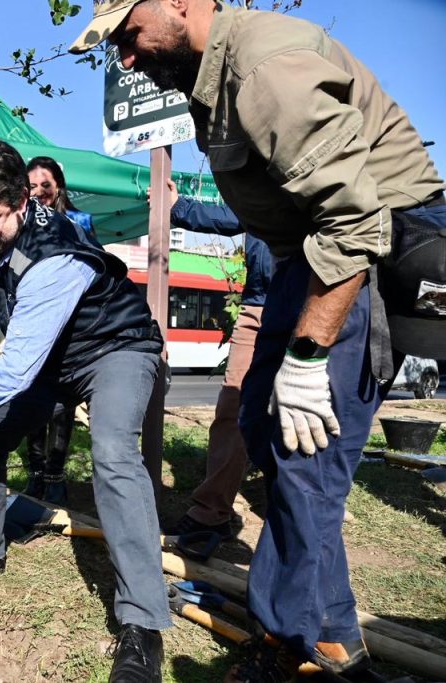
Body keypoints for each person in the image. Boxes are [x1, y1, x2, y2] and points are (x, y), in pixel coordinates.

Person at [70, 2, 445, 679]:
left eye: (130, 35)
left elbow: (355, 222)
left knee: (308, 454)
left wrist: (306, 358)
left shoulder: (265, 69)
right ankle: (329, 638)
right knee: (261, 429)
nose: (125, 58)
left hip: (361, 258)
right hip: (307, 257)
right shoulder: (207, 86)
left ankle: (294, 638)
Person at [0, 138, 169, 682]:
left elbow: (17, 367)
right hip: (54, 359)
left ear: (23, 200)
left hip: (115, 347)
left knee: (114, 455)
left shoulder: (56, 253)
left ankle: (142, 628)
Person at [150, 178, 272, 540]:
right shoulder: (260, 180)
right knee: (231, 409)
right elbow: (227, 216)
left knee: (300, 412)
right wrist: (178, 207)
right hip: (258, 305)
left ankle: (297, 510)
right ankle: (211, 513)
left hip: (308, 302)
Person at [22, 156, 94, 505]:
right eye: (31, 186)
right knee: (32, 400)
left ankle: (55, 475)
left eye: (44, 186)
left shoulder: (79, 221)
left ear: (58, 188)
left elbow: (94, 269)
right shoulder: (20, 226)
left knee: (63, 406)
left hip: (69, 330)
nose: (37, 193)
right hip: (33, 326)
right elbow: (13, 270)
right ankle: (35, 472)